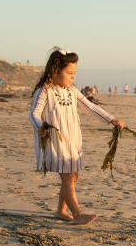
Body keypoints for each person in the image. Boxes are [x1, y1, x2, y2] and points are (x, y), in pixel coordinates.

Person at [29, 48, 125, 225]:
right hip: (55, 141)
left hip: (72, 140)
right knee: (67, 176)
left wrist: (112, 119)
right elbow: (33, 113)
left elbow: (91, 107)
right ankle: (78, 213)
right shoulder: (45, 90)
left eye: (74, 73)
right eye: (69, 73)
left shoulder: (72, 90)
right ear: (55, 70)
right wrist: (40, 127)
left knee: (73, 176)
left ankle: (61, 210)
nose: (72, 76)